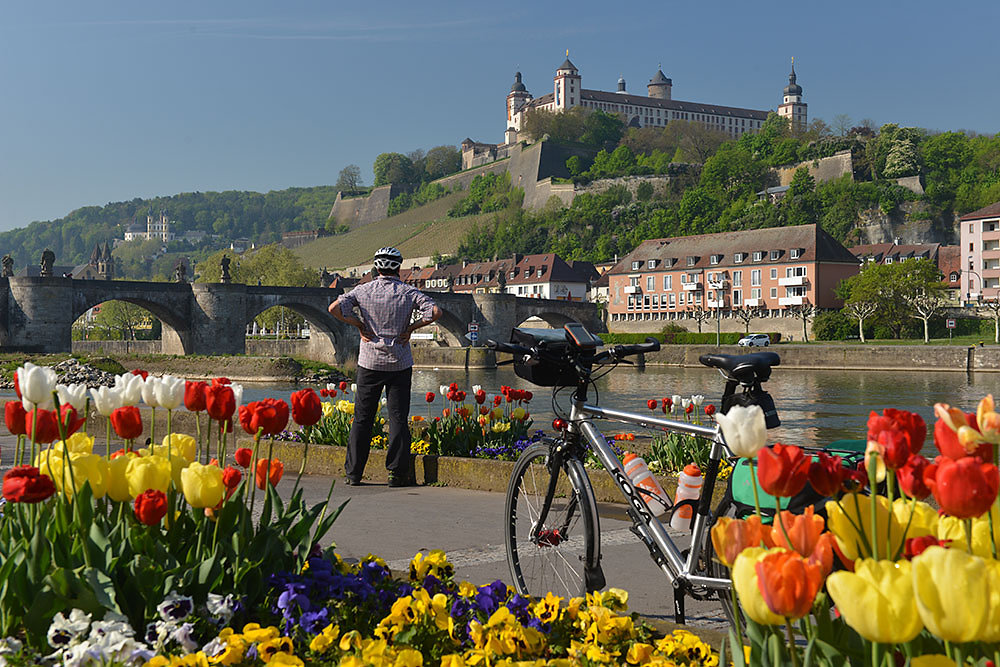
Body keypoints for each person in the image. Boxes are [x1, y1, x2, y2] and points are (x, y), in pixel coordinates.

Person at [329, 247, 441, 487]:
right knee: (398, 417)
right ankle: (396, 474)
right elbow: (435, 312)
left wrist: (358, 324)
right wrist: (411, 329)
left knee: (362, 418)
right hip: (399, 362)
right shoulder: (409, 292)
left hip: (369, 363)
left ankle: (354, 473)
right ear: (399, 268)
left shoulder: (362, 290)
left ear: (376, 268)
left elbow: (334, 309)